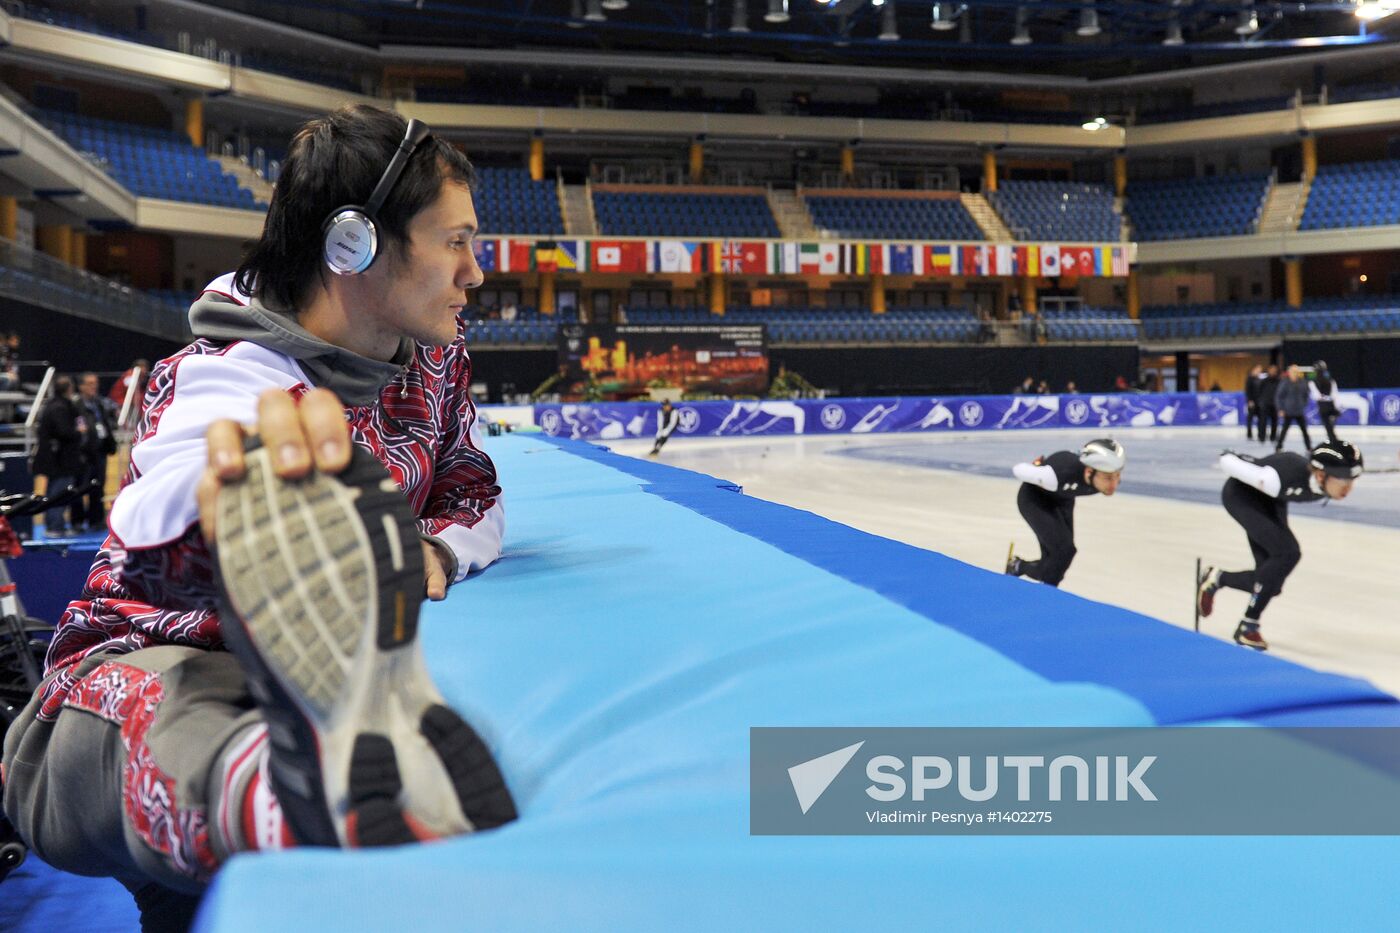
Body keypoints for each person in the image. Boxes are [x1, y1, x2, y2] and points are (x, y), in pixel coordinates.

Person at [3, 105, 516, 929]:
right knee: (190, 713)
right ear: (356, 246)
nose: (476, 272)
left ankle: (323, 784)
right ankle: (288, 796)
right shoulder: (223, 374)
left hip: (316, 691)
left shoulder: (436, 358)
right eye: (454, 241)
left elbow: (473, 487)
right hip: (121, 697)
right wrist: (248, 497)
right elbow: (160, 508)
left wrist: (435, 548)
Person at [1198, 440, 1364, 650]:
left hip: (1273, 501)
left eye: (1353, 480)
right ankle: (1248, 626)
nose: (1349, 488)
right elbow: (1227, 459)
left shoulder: (1324, 481)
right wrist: (1231, 455)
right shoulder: (1272, 478)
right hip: (1242, 496)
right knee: (1288, 553)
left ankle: (1216, 578)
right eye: (1344, 481)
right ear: (1321, 476)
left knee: (1270, 582)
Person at [1005, 438, 1125, 588]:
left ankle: (1019, 567)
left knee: (1061, 556)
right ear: (1089, 472)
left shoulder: (1100, 476)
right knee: (1063, 550)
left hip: (1063, 499)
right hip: (1034, 499)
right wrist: (1037, 469)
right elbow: (1018, 469)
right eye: (1108, 478)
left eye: (1117, 476)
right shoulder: (1058, 474)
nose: (1114, 484)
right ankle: (1045, 590)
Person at [29, 374, 88, 537]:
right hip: (60, 460)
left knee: (56, 492)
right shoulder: (59, 408)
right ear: (69, 389)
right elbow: (63, 431)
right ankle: (55, 526)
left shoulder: (55, 405)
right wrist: (78, 432)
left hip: (57, 459)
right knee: (59, 494)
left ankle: (56, 525)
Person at [73, 371, 118, 531]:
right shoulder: (76, 405)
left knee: (99, 486)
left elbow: (106, 424)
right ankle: (77, 522)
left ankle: (96, 520)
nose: (94, 387)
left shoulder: (100, 404)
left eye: (95, 383)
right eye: (90, 384)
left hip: (100, 451)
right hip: (83, 454)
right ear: (81, 386)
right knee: (79, 488)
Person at [1274, 364, 1311, 452]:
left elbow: (1306, 395)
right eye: (1293, 371)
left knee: (1304, 431)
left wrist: (1303, 404)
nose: (1295, 373)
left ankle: (1309, 447)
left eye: (1296, 371)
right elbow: (1279, 396)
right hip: (1288, 411)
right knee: (1284, 430)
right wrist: (1280, 409)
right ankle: (1279, 446)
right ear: (1289, 372)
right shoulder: (1285, 382)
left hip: (1299, 411)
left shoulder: (1303, 382)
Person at [1310, 359, 1340, 444]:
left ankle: (1333, 441)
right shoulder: (1331, 380)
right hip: (1331, 405)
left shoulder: (1313, 382)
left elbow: (1316, 396)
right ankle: (1333, 440)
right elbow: (1335, 395)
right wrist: (1337, 406)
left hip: (1323, 406)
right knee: (1330, 425)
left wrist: (1324, 398)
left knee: (1328, 425)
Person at [1257, 363, 1279, 444]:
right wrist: (1260, 402)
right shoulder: (1264, 381)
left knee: (1274, 422)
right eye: (1271, 370)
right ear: (1268, 370)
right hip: (1265, 404)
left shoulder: (1279, 381)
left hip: (1275, 405)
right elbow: (1259, 392)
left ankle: (1273, 437)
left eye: (1274, 370)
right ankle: (1261, 437)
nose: (1273, 371)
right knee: (1263, 421)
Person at [1244, 364, 1263, 441]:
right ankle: (1249, 434)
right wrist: (1250, 400)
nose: (1259, 371)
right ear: (1254, 369)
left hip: (1259, 402)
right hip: (1252, 402)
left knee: (1260, 419)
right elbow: (1248, 391)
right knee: (1250, 419)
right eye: (1258, 369)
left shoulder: (1259, 379)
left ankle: (1260, 434)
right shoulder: (1249, 379)